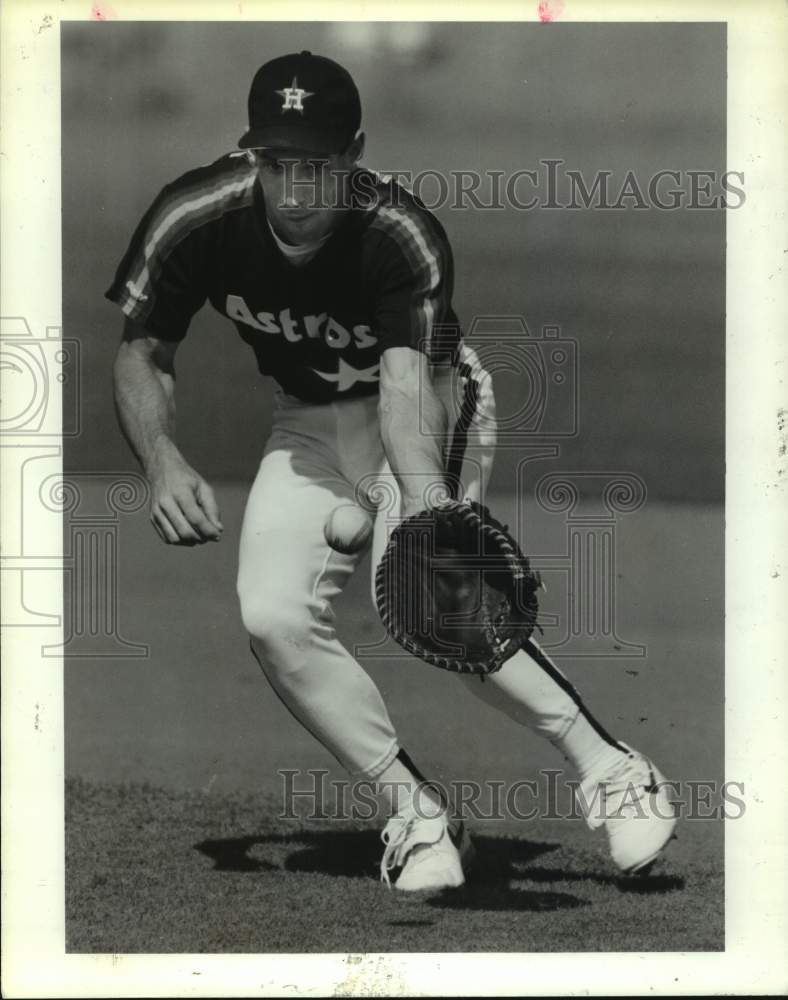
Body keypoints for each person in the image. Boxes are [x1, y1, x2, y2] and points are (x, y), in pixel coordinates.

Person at [110, 51, 676, 892]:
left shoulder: (397, 231)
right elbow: (143, 352)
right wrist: (161, 464)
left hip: (428, 405)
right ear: (248, 153)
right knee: (271, 615)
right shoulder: (193, 216)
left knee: (430, 591)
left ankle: (615, 771)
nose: (295, 189)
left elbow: (411, 387)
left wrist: (421, 512)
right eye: (276, 165)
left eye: (318, 166)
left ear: (357, 153)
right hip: (303, 424)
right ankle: (416, 817)